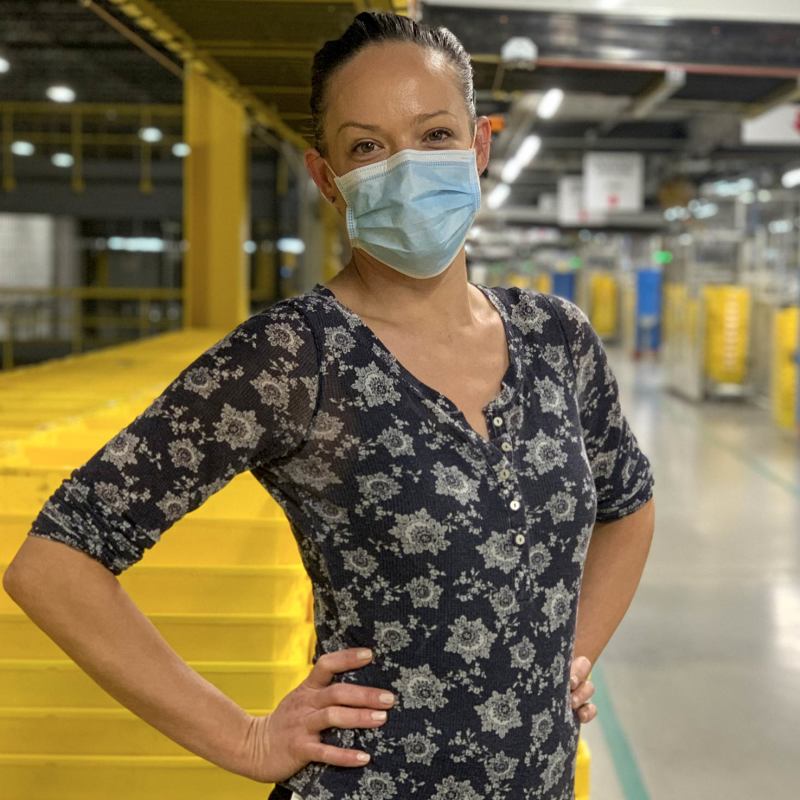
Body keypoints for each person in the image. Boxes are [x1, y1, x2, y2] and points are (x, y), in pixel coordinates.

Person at [3, 10, 656, 800]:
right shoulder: (292, 358)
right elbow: (56, 560)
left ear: (479, 147)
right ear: (328, 178)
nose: (407, 167)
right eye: (368, 147)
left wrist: (567, 657)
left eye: (436, 134)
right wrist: (242, 737)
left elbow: (629, 504)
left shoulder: (557, 339)